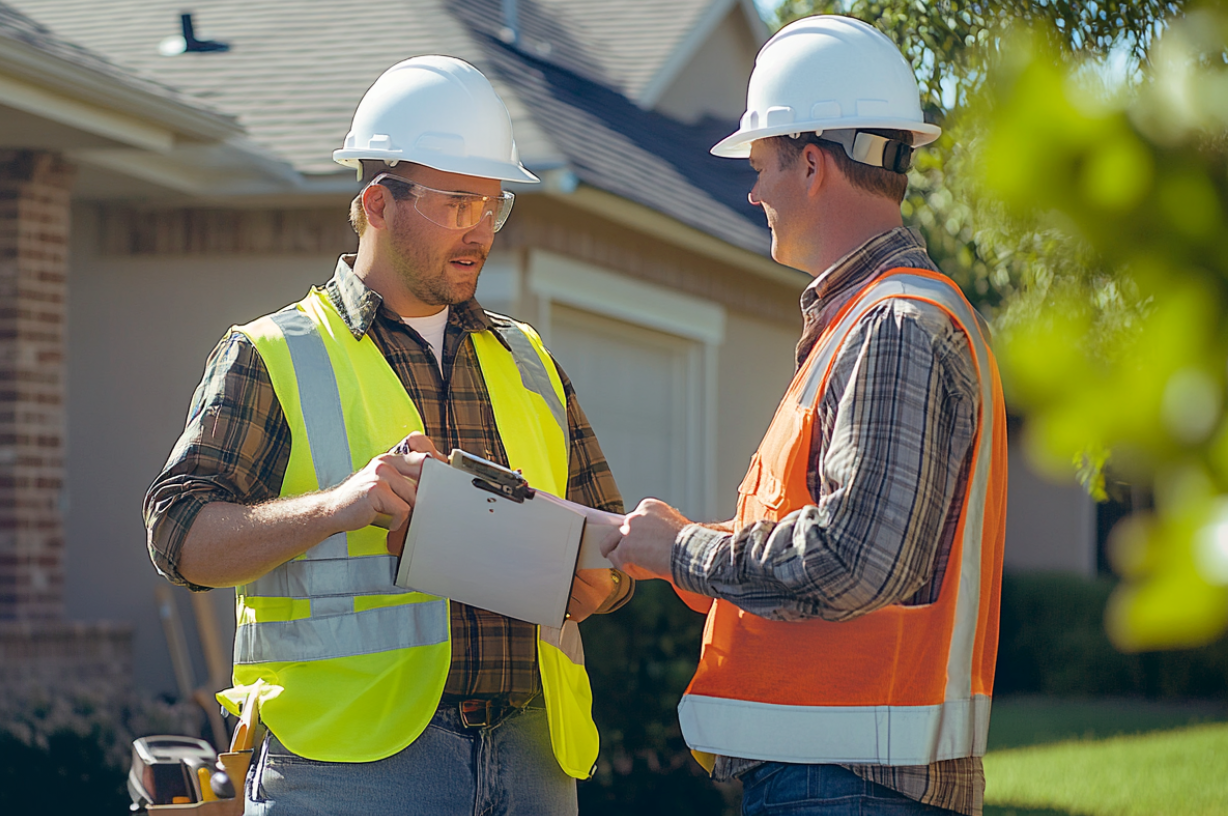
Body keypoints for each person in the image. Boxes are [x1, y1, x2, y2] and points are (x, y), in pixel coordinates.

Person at [142, 55, 632, 816]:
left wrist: (602, 581)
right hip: (349, 769)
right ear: (376, 202)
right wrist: (338, 506)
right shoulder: (274, 354)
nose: (479, 230)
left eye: (492, 206)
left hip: (533, 756)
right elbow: (177, 538)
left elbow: (610, 549)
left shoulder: (530, 363)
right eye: (455, 203)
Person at [602, 16, 1008, 816]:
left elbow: (854, 560)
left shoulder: (891, 326)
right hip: (845, 782)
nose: (751, 192)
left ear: (814, 165)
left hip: (848, 785)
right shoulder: (874, 321)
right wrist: (695, 550)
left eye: (761, 166)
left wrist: (685, 551)